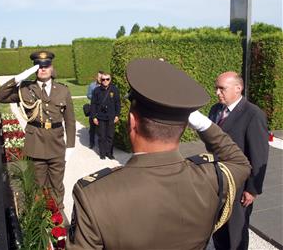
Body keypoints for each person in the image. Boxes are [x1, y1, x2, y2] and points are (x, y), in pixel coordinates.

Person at [66, 59, 251, 249]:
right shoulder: (210, 179)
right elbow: (239, 162)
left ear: (132, 122)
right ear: (186, 125)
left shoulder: (94, 196)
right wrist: (200, 121)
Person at [0, 50, 76, 212]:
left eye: (46, 66)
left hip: (56, 145)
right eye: (39, 66)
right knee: (37, 185)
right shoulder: (25, 89)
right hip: (35, 144)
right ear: (34, 69)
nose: (43, 69)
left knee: (57, 184)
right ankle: (39, 217)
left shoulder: (63, 90)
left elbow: (70, 120)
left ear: (52, 68)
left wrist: (71, 146)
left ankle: (56, 216)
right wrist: (19, 78)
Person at [209, 71, 269, 250]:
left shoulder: (253, 114)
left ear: (238, 88)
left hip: (239, 184)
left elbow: (259, 154)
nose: (217, 93)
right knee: (218, 225)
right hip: (218, 180)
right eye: (216, 88)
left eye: (222, 89)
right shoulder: (215, 110)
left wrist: (252, 189)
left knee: (236, 231)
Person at [90, 72, 121, 160]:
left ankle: (109, 153)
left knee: (110, 136)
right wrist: (94, 117)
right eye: (103, 79)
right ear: (100, 80)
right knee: (102, 136)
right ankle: (102, 153)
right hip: (100, 117)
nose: (105, 81)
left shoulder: (114, 89)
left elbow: (117, 103)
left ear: (110, 80)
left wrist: (117, 115)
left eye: (107, 79)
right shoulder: (96, 90)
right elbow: (93, 105)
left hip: (111, 117)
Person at [86, 71, 102, 149]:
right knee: (92, 127)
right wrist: (95, 97)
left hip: (102, 110)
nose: (100, 79)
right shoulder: (92, 85)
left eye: (101, 77)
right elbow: (88, 95)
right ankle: (91, 143)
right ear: (96, 77)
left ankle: (101, 144)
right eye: (99, 77)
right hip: (93, 108)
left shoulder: (105, 85)